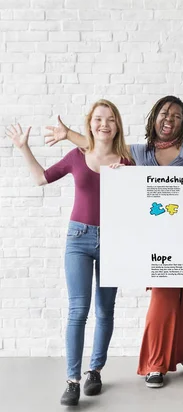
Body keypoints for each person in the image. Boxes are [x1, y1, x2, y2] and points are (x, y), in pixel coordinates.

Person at [44, 96, 183, 389]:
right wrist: (69, 134)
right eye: (164, 113)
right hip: (156, 239)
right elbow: (103, 147)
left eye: (176, 115)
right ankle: (155, 363)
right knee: (163, 299)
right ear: (153, 118)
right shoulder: (137, 152)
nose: (169, 119)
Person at [6, 100, 132, 406]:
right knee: (79, 310)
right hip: (78, 238)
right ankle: (72, 380)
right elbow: (40, 178)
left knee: (105, 310)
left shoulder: (127, 162)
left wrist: (126, 180)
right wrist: (24, 148)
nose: (104, 124)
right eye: (99, 119)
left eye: (111, 119)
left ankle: (94, 371)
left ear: (117, 126)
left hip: (114, 240)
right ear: (89, 124)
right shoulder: (77, 155)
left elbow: (141, 206)